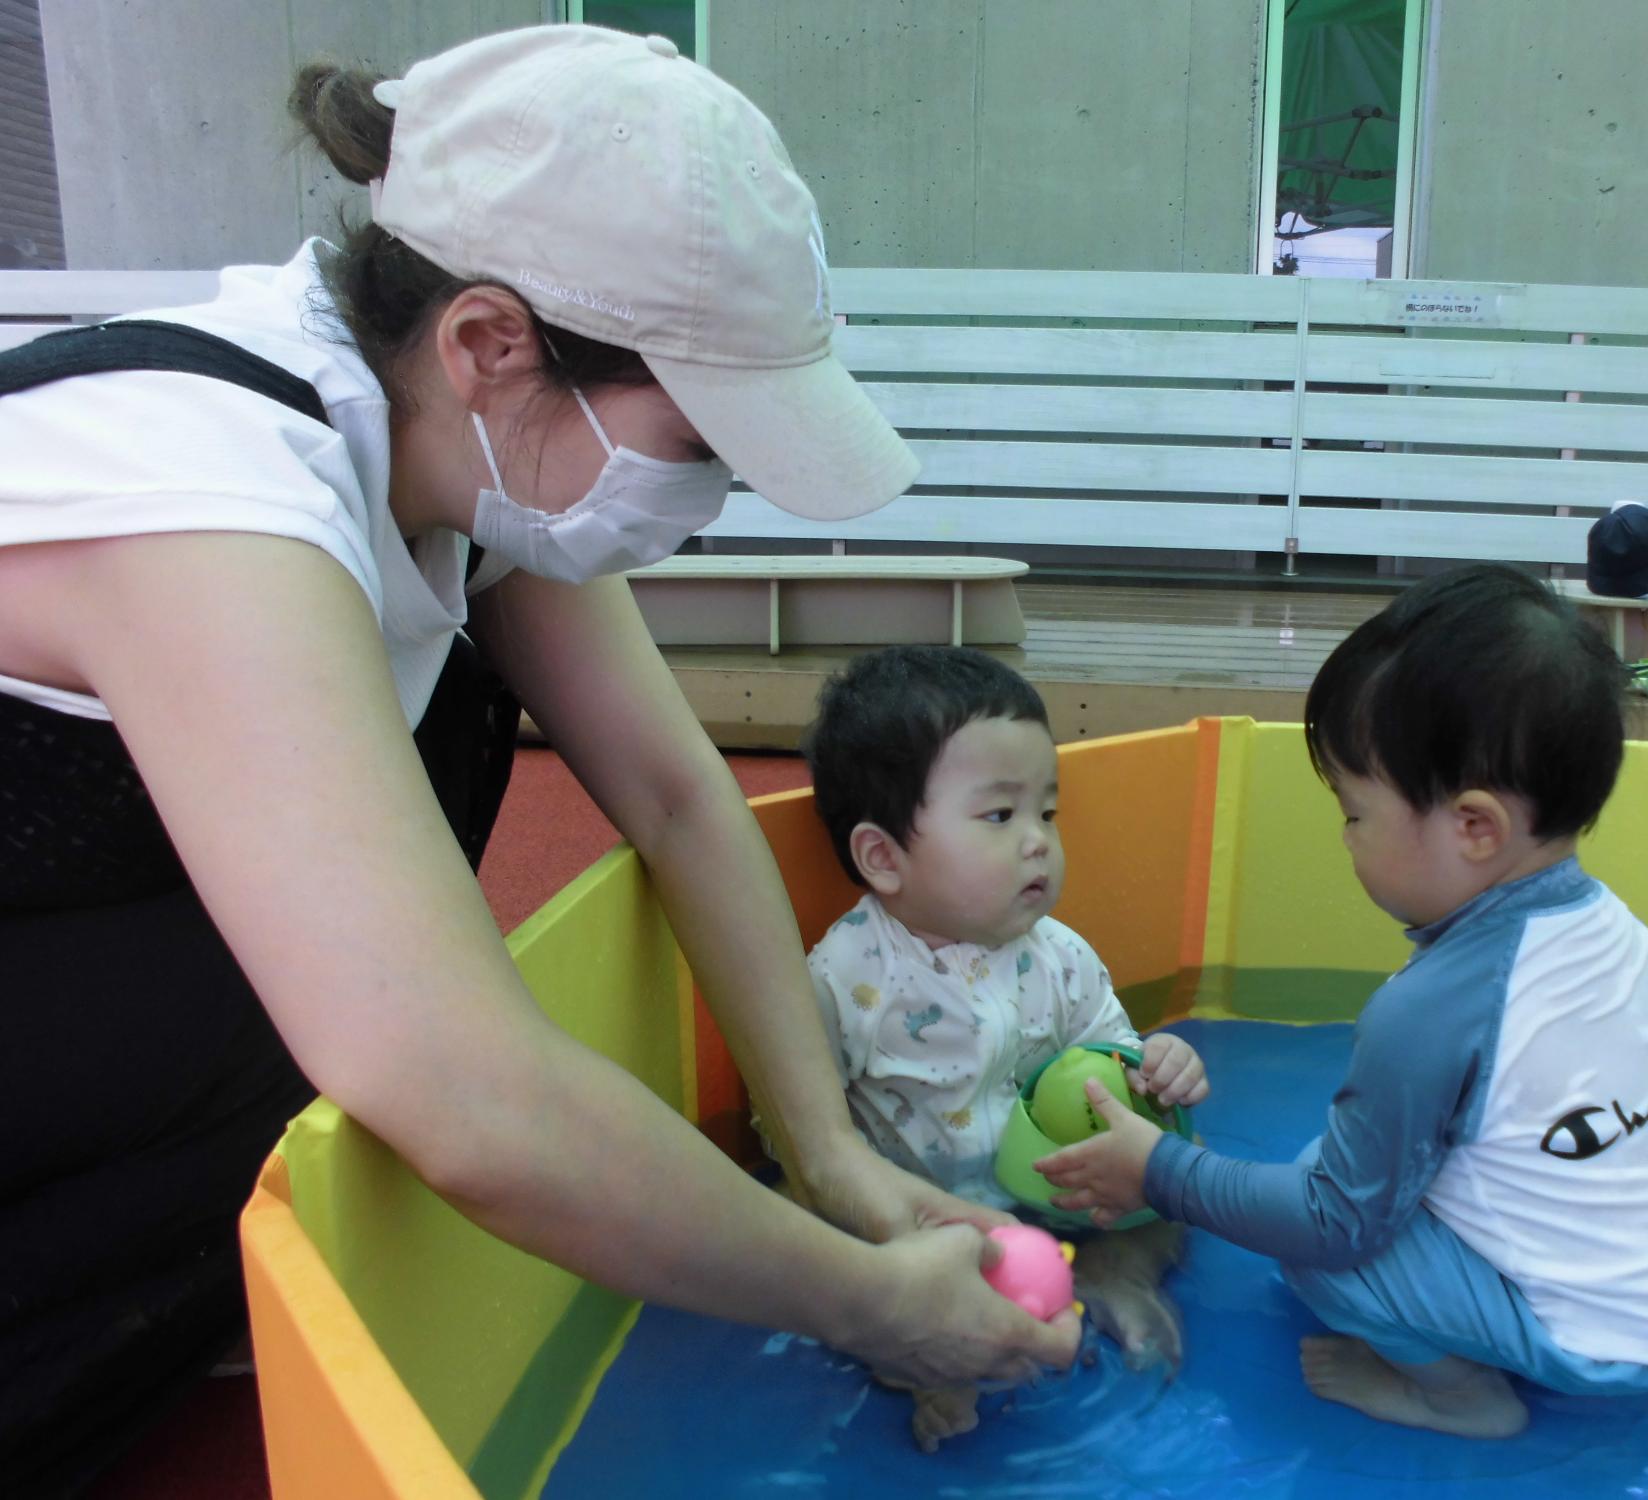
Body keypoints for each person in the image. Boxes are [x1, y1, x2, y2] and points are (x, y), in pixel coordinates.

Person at [0, 26, 1075, 1495]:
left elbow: (682, 795)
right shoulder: (208, 504)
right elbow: (457, 1085)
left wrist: (826, 1154)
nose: (707, 498)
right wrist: (867, 1300)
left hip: (93, 979)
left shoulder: (469, 450)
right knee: (381, 1004)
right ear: (491, 342)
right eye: (696, 437)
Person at [1037, 565, 1648, 1439]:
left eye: (1354, 814)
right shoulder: (1611, 929)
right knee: (1335, 1169)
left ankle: (1459, 1396)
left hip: (1614, 1335)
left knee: (1317, 1255)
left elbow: (1333, 1227)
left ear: (1474, 827)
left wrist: (1158, 1170)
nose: (1344, 838)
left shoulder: (1428, 1013)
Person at [798, 646, 1209, 1449]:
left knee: (1173, 1197)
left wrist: (1160, 1071)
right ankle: (931, 1366)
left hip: (1057, 1195)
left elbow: (1114, 1065)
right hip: (924, 1225)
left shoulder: (1057, 954)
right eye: (1000, 816)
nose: (1037, 843)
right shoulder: (843, 980)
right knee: (856, 1282)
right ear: (884, 857)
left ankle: (1113, 1276)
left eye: (1046, 814)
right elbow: (807, 1141)